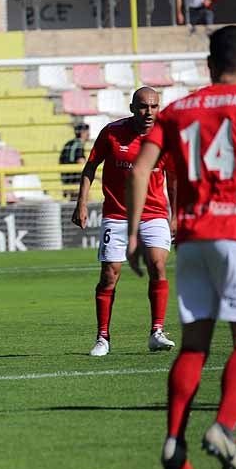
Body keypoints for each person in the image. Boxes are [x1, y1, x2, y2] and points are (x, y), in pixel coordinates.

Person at [126, 25, 236, 469]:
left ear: (208, 62)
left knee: (194, 345)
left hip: (192, 236)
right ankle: (223, 427)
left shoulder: (178, 111)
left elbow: (141, 169)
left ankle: (174, 445)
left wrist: (132, 234)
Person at [72, 87, 176, 357]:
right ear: (132, 108)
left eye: (154, 106)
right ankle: (103, 337)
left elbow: (174, 180)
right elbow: (90, 167)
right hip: (117, 215)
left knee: (157, 264)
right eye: (143, 106)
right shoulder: (112, 132)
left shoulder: (165, 137)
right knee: (109, 275)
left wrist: (176, 214)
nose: (149, 112)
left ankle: (157, 331)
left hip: (153, 213)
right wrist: (81, 203)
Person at [59, 123, 89, 198]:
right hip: (76, 181)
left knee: (74, 203)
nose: (89, 134)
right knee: (86, 201)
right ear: (83, 133)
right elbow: (81, 164)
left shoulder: (68, 144)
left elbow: (61, 161)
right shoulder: (79, 145)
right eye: (87, 132)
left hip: (67, 180)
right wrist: (97, 177)